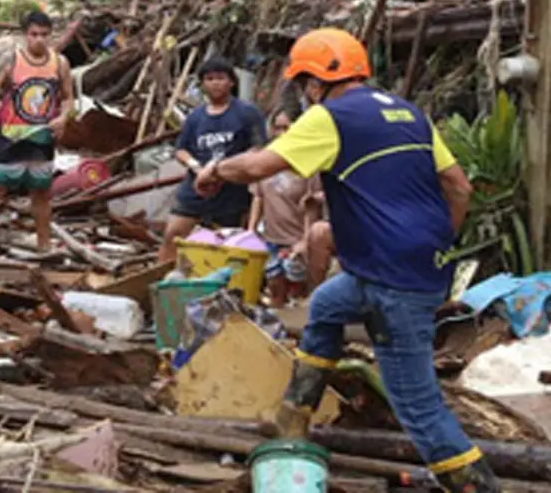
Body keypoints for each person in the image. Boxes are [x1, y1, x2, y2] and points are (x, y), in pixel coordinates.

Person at [193, 28, 495, 493]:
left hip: (391, 282)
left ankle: (482, 487)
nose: (304, 94)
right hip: (407, 269)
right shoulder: (410, 114)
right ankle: (294, 414)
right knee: (329, 304)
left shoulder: (330, 118)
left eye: (302, 85)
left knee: (417, 407)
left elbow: (256, 167)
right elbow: (459, 187)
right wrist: (430, 245)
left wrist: (213, 169)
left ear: (315, 83)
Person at [0, 11, 73, 262]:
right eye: (34, 34)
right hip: (10, 135)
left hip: (42, 137)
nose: (39, 40)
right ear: (25, 35)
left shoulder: (60, 63)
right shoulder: (11, 60)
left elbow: (67, 97)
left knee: (41, 192)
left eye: (45, 35)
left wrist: (64, 118)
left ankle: (44, 245)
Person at [159, 58, 266, 262]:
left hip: (232, 192)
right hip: (195, 188)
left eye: (220, 78)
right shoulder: (195, 117)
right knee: (173, 234)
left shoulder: (247, 113)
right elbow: (181, 150)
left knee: (228, 245)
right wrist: (197, 168)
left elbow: (258, 148)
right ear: (202, 84)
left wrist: (224, 171)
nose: (215, 83)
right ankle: (163, 279)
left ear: (231, 82)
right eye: (209, 79)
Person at [247, 109, 323, 307]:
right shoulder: (265, 162)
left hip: (296, 239)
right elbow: (258, 198)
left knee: (298, 294)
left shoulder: (308, 165)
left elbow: (311, 207)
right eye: (277, 128)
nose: (282, 133)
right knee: (274, 289)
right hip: (271, 238)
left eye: (287, 128)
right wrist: (251, 230)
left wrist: (306, 241)